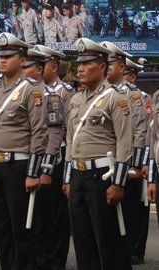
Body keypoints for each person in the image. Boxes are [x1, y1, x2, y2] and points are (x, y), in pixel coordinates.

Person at [64, 38, 132, 270]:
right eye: (79, 63)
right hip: (78, 176)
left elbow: (125, 142)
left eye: (87, 63)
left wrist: (119, 183)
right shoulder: (75, 100)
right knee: (83, 245)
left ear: (102, 66)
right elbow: (70, 140)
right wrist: (68, 178)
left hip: (103, 177)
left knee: (108, 244)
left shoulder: (116, 98)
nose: (80, 68)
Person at [0, 32, 46, 269]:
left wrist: (32, 173)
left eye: (9, 56)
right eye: (0, 56)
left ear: (22, 60)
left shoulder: (32, 90)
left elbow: (39, 132)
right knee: (0, 228)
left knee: (21, 228)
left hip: (18, 166)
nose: (2, 60)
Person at [101, 41, 148, 268]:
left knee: (125, 217)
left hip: (125, 164)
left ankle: (125, 256)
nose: (105, 68)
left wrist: (136, 166)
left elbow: (139, 130)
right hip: (102, 166)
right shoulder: (98, 93)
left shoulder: (132, 95)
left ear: (121, 67)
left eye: (109, 65)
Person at [22, 47, 64, 270]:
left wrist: (45, 170)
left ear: (38, 69)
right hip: (25, 165)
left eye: (26, 66)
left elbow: (54, 136)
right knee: (26, 225)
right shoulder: (20, 94)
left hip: (45, 166)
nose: (22, 70)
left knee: (43, 223)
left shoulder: (53, 96)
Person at [34, 44, 75, 269]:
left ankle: (57, 260)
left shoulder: (64, 92)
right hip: (36, 156)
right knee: (39, 213)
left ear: (53, 66)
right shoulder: (31, 90)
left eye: (43, 64)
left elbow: (67, 127)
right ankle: (41, 257)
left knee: (57, 215)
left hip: (58, 157)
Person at [125, 57, 150, 265]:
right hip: (120, 160)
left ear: (132, 76)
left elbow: (145, 132)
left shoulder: (141, 98)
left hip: (137, 158)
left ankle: (137, 249)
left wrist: (142, 162)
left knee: (138, 207)